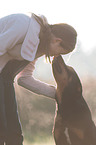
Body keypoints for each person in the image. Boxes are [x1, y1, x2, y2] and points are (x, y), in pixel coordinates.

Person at [0, 12, 77, 145]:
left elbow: (24, 78)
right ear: (57, 41)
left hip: (5, 81)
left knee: (15, 135)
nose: (56, 56)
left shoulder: (37, 47)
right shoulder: (23, 25)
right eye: (60, 52)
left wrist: (58, 93)